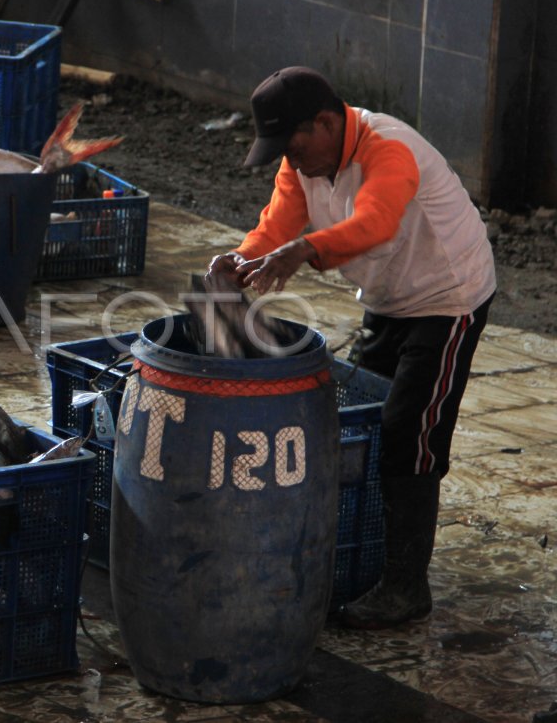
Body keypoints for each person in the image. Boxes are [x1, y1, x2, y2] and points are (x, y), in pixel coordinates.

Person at [207, 66, 497, 628]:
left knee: (410, 434)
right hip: (390, 297)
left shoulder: (389, 150)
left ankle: (407, 586)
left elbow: (374, 222)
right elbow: (276, 225)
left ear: (326, 121)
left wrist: (302, 251)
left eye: (293, 146)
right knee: (361, 422)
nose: (290, 162)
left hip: (448, 298)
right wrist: (241, 260)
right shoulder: (301, 166)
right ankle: (364, 553)